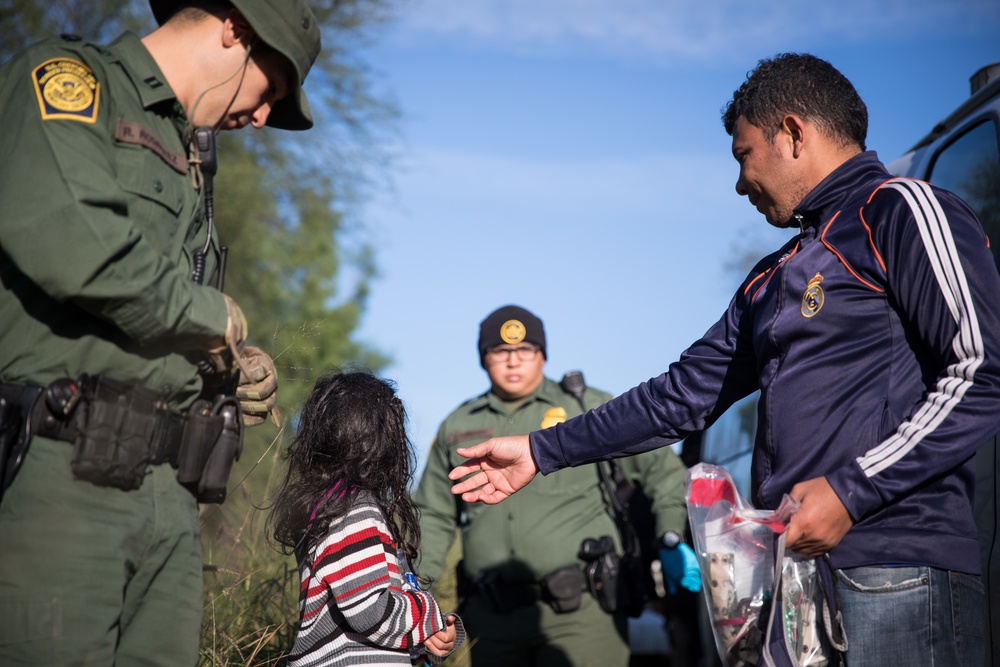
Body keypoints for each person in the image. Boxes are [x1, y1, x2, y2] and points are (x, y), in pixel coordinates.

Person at [449, 53, 1000, 667]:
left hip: (898, 573)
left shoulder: (901, 209)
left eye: (744, 154)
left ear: (792, 133)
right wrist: (539, 450)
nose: (740, 182)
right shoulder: (772, 276)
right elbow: (679, 396)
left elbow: (983, 372)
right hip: (793, 589)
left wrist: (850, 492)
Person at [0, 0, 319, 664]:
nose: (261, 118)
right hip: (66, 474)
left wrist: (234, 366)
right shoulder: (69, 81)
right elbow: (74, 242)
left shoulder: (194, 161)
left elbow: (171, 312)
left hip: (169, 499)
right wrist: (213, 321)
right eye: (272, 88)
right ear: (236, 27)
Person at [414, 304, 694, 667]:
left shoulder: (586, 407)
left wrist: (670, 534)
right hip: (492, 619)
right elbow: (432, 516)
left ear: (543, 356)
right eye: (500, 352)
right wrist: (420, 595)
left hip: (583, 616)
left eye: (525, 350)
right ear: (484, 359)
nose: (513, 361)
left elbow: (664, 472)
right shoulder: (458, 424)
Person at [267, 370, 465, 666]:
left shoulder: (341, 508)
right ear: (382, 443)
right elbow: (372, 613)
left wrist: (427, 641)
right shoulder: (352, 512)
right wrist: (429, 614)